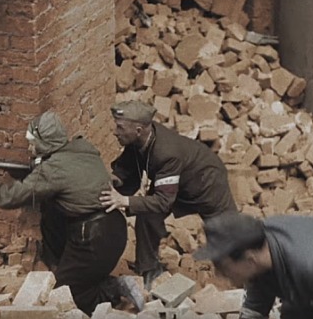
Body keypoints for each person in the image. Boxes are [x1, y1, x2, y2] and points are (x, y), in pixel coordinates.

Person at [0, 111, 144, 316]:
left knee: (65, 295)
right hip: (112, 229)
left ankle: (114, 289)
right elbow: (60, 177)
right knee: (50, 211)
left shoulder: (52, 170)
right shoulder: (81, 150)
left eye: (33, 143)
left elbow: (9, 198)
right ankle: (80, 274)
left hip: (94, 238)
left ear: (47, 143)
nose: (30, 148)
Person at [100, 100, 237, 289]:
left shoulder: (165, 153)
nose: (115, 131)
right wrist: (114, 181)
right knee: (146, 214)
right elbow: (128, 168)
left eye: (120, 127)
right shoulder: (139, 139)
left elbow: (164, 201)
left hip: (206, 182)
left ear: (138, 130)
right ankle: (149, 270)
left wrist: (124, 200)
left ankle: (248, 277)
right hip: (176, 181)